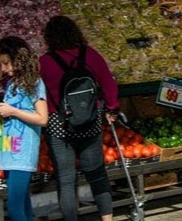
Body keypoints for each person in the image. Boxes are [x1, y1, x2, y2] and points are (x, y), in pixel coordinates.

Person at [38, 15, 119, 221]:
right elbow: (109, 84)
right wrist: (112, 108)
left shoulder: (45, 62)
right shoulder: (91, 55)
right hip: (90, 122)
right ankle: (107, 219)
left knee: (66, 180)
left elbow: (34, 90)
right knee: (97, 174)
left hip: (59, 124)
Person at [0, 36, 48, 221]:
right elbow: (13, 113)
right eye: (0, 64)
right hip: (9, 150)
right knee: (23, 205)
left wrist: (12, 111)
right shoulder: (12, 84)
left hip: (23, 152)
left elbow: (42, 118)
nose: (3, 69)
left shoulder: (34, 82)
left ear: (19, 58)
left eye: (6, 63)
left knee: (15, 207)